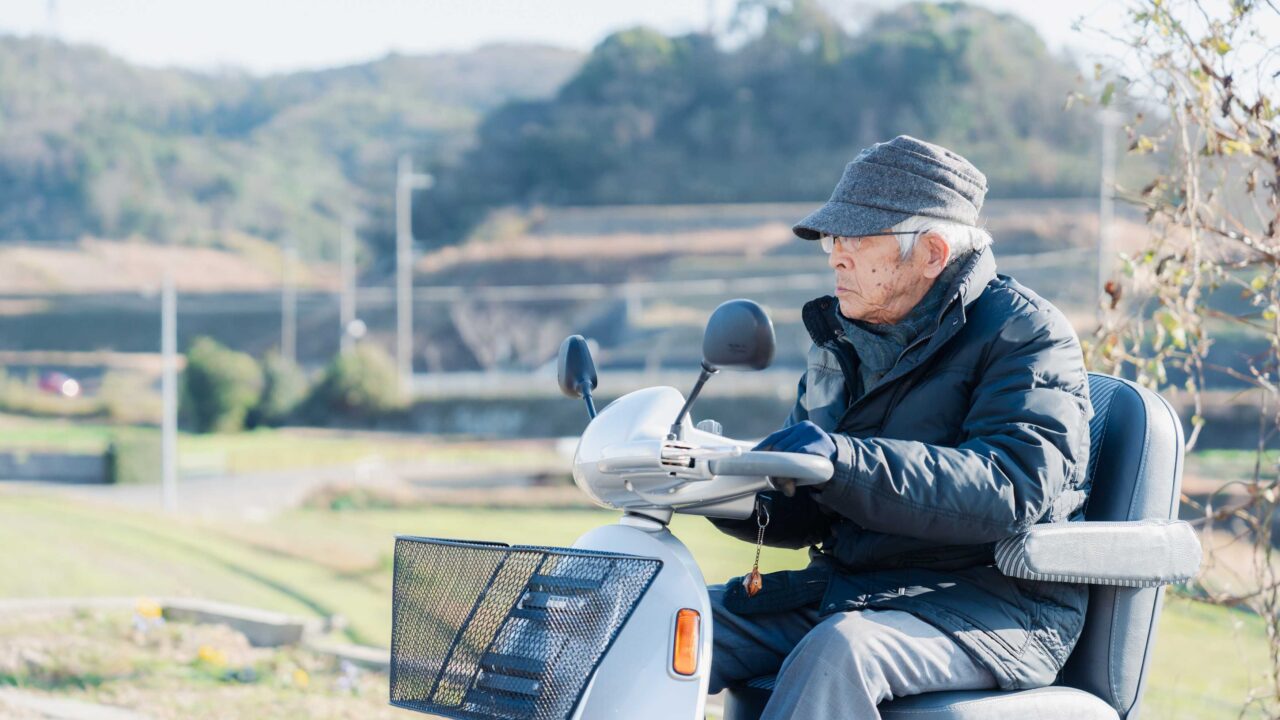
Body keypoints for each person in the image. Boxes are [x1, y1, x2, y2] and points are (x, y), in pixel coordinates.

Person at [708, 136, 1093, 719]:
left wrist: (844, 462)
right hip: (852, 591)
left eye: (856, 240)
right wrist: (718, 487)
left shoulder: (1028, 335)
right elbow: (809, 506)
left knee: (840, 652)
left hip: (989, 607)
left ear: (932, 253)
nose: (835, 256)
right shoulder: (845, 342)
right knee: (661, 613)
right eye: (833, 240)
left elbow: (1008, 487)